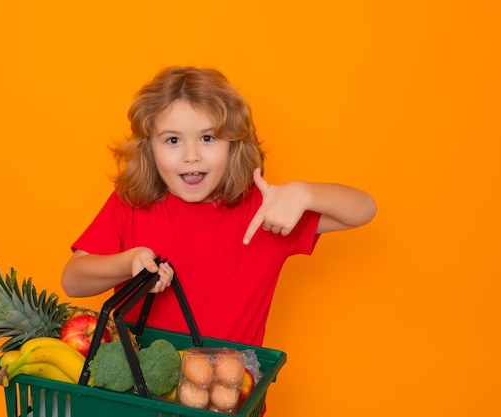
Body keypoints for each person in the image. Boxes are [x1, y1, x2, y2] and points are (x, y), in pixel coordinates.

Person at [61, 66, 376, 348]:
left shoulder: (263, 210)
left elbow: (364, 209)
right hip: (136, 399)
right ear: (150, 148)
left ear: (233, 144)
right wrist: (127, 262)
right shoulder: (133, 201)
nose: (191, 155)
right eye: (173, 140)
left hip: (230, 400)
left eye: (208, 138)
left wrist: (306, 193)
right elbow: (73, 280)